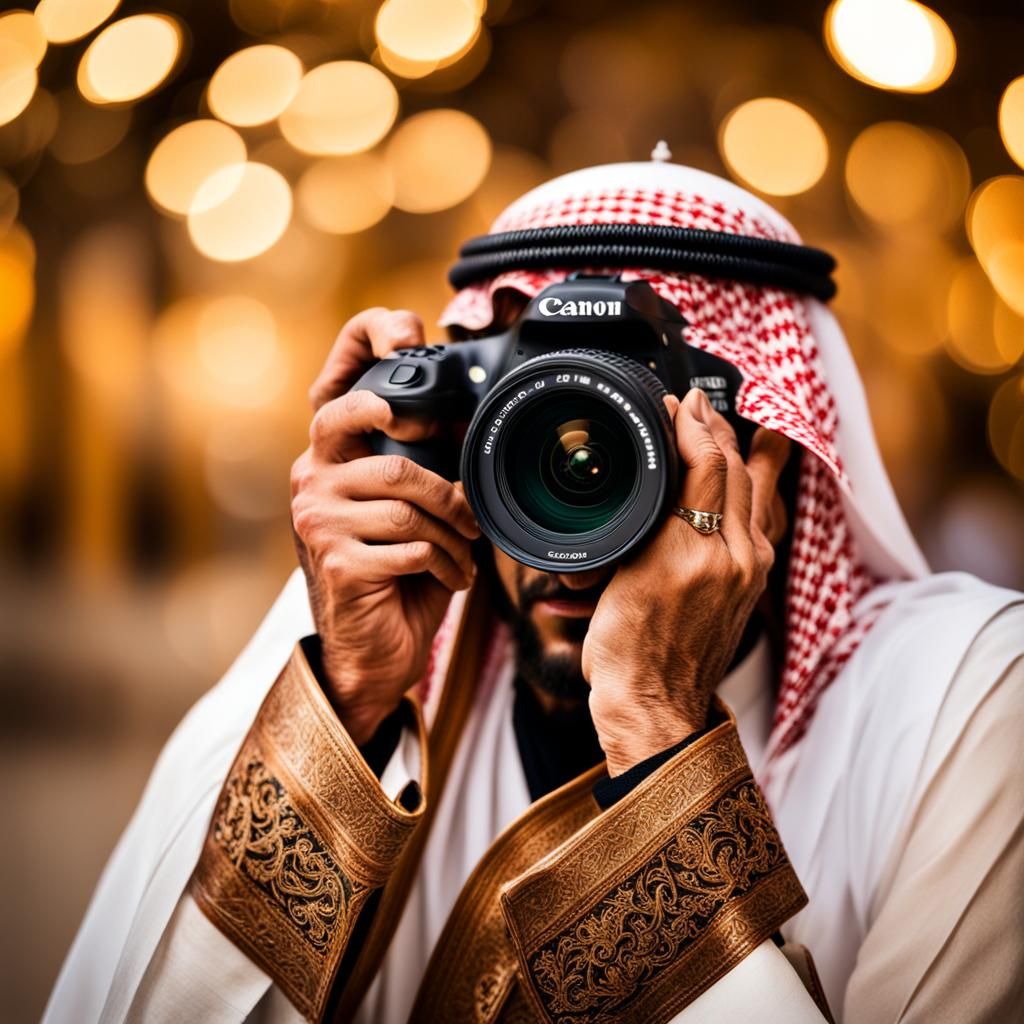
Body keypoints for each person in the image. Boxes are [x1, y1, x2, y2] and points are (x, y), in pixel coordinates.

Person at [45, 157, 1024, 1024]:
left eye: (625, 464)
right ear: (465, 429)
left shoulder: (961, 701)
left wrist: (655, 728)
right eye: (532, 444)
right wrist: (348, 703)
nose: (570, 559)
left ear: (769, 458)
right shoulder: (370, 664)